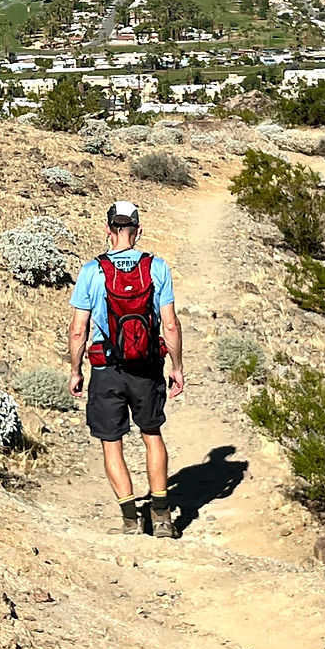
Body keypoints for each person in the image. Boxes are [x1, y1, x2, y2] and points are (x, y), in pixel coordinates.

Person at [68, 200, 185, 538]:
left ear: (107, 229)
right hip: (147, 367)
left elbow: (78, 330)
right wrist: (177, 367)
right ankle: (161, 517)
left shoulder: (91, 271)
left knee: (111, 442)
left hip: (106, 368)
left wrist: (76, 370)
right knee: (152, 434)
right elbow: (170, 324)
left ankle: (131, 520)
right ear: (139, 230)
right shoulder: (156, 267)